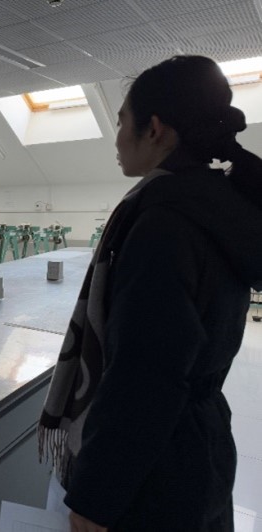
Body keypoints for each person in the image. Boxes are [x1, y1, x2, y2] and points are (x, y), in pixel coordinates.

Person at [39, 55, 262, 531]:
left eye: (122, 122)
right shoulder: (219, 208)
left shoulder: (163, 224)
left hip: (157, 475)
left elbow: (146, 375)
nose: (116, 138)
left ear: (155, 129)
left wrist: (95, 499)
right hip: (202, 449)